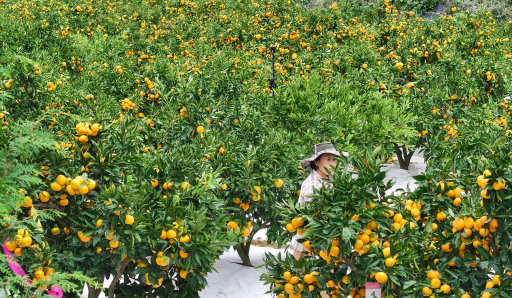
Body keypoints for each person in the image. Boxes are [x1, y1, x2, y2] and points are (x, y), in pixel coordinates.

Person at [292, 142, 346, 260]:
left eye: (334, 160)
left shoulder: (330, 178)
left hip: (328, 241)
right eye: (328, 159)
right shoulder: (312, 186)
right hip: (309, 245)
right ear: (316, 162)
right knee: (306, 276)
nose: (333, 164)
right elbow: (315, 217)